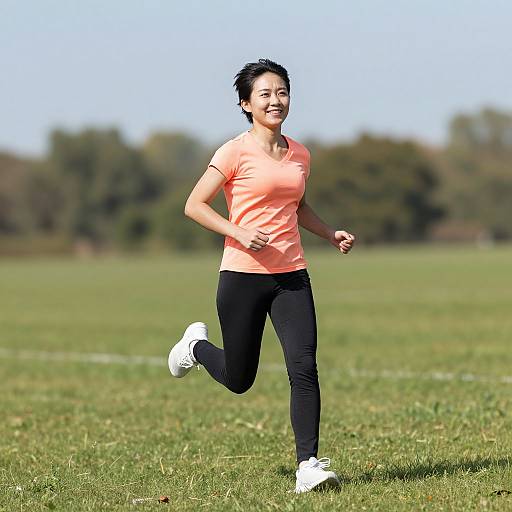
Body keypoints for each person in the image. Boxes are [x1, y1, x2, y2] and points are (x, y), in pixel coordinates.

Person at [168, 58, 355, 494]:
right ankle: (195, 346)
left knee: (303, 366)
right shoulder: (233, 151)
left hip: (291, 275)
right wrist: (237, 230)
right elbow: (194, 205)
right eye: (265, 94)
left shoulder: (300, 153)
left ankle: (307, 465)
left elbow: (298, 204)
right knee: (239, 379)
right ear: (246, 104)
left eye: (282, 92)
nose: (276, 100)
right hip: (242, 276)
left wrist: (329, 233)